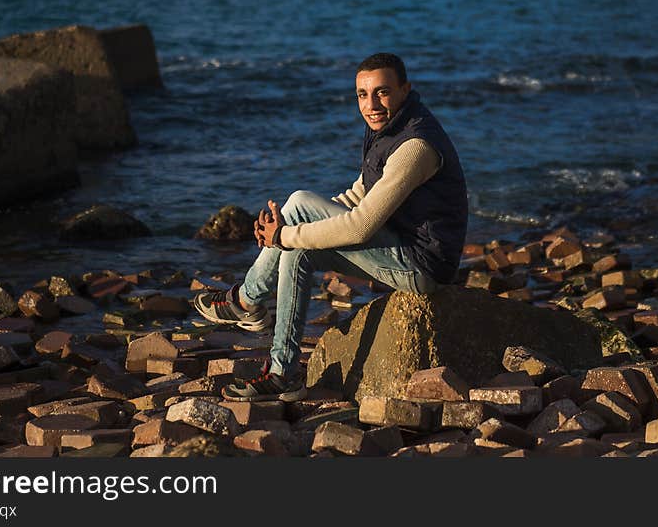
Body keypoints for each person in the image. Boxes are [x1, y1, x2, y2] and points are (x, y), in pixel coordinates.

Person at [194, 52, 468, 402]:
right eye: (362, 95)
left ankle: (245, 300)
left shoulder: (415, 145)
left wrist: (283, 234)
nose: (371, 104)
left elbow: (361, 227)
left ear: (405, 89)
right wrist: (294, 236)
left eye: (382, 92)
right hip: (397, 246)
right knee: (299, 251)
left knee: (297, 205)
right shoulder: (390, 128)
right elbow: (360, 195)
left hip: (421, 266)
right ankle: (282, 374)